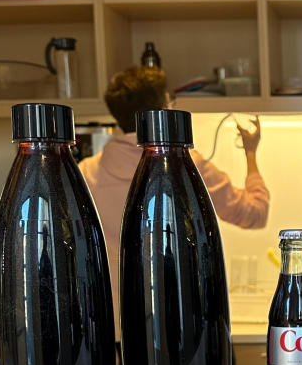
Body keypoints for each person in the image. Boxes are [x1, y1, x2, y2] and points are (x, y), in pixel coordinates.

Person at [79, 65, 270, 327]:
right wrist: (250, 152)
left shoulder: (85, 173)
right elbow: (254, 213)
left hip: (114, 328)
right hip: (181, 323)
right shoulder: (187, 167)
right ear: (165, 110)